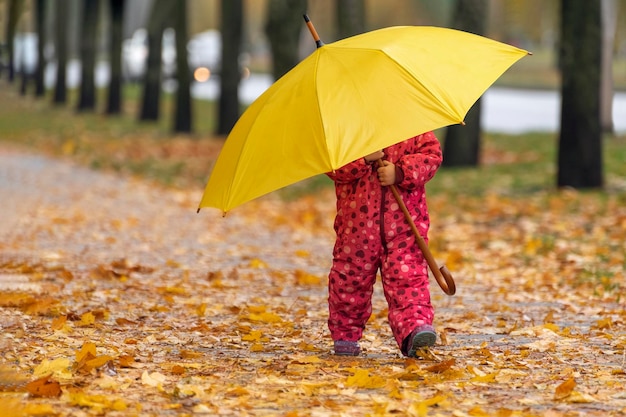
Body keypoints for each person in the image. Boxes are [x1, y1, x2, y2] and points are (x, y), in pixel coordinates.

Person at [326, 131, 443, 357]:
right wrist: (363, 159)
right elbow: (332, 167)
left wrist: (400, 172)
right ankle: (345, 335)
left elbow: (432, 156)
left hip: (405, 228)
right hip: (356, 229)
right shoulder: (347, 131)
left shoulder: (412, 126)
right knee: (349, 280)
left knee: (408, 279)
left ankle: (414, 330)